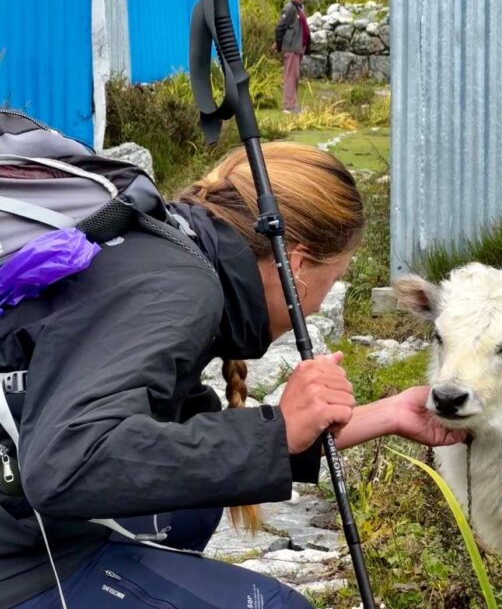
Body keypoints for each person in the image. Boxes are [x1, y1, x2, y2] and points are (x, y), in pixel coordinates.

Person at [0, 142, 465, 608]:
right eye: (334, 278)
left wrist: (382, 414)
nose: (323, 302)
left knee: (191, 508)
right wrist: (278, 434)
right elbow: (69, 462)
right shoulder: (178, 285)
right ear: (297, 267)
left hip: (26, 522)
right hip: (24, 561)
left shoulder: (169, 248)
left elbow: (163, 433)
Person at [273, 0, 310, 114]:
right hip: (291, 48)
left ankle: (293, 103)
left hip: (298, 48)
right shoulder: (289, 8)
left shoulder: (300, 8)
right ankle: (289, 106)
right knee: (290, 76)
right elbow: (280, 28)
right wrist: (278, 44)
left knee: (295, 76)